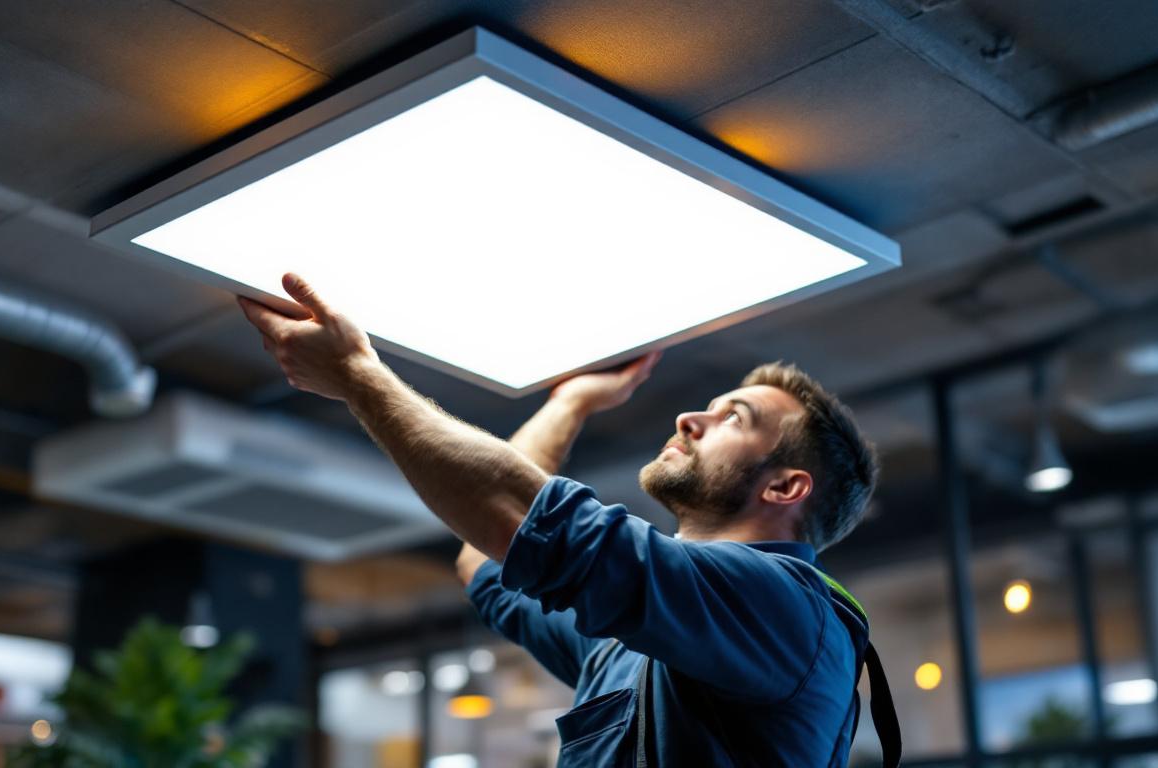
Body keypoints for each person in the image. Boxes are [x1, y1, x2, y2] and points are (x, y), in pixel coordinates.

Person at [238, 274, 900, 767]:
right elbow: (489, 558)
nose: (688, 419)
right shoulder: (642, 640)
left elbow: (517, 516)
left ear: (786, 486)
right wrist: (572, 402)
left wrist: (357, 374)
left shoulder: (780, 604)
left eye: (734, 418)